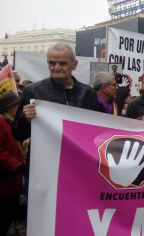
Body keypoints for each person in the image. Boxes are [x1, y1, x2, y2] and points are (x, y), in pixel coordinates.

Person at [12, 42, 98, 142]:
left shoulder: (88, 93)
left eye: (63, 63)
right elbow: (18, 135)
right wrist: (24, 118)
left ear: (74, 65)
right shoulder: (32, 91)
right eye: (52, 63)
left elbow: (96, 131)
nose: (57, 68)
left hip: (75, 154)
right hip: (44, 155)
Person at [0, 93, 25, 236]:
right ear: (8, 108)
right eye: (17, 106)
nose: (20, 109)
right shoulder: (1, 123)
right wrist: (17, 165)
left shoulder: (11, 124)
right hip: (4, 186)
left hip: (11, 186)